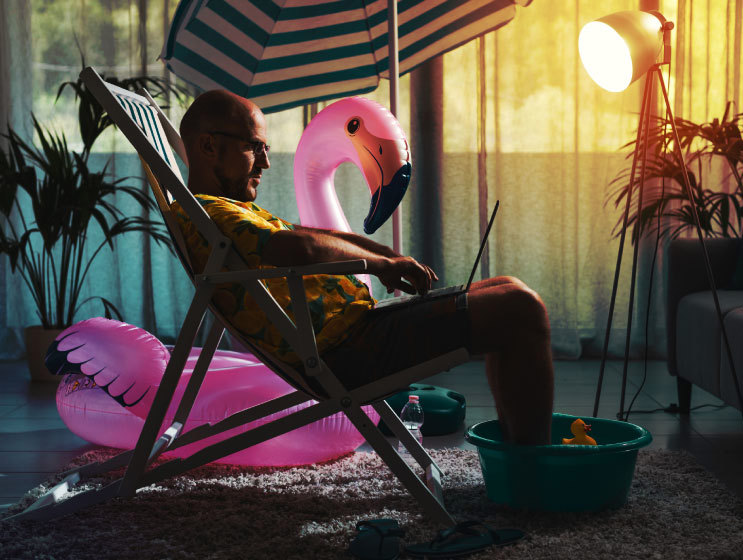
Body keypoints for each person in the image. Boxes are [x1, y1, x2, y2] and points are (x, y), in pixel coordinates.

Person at [172, 89, 554, 446]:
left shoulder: (231, 211)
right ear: (208, 145)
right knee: (520, 307)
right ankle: (533, 471)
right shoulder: (212, 213)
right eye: (255, 147)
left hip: (358, 332)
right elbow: (300, 246)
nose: (267, 162)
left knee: (507, 288)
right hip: (346, 352)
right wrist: (378, 264)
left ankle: (521, 453)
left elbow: (305, 232)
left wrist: (387, 254)